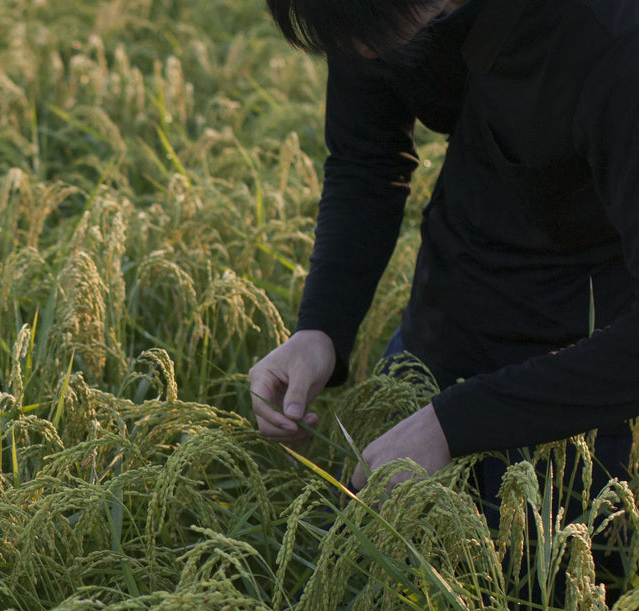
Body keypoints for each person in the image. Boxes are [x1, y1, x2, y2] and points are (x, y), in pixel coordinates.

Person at [249, 0, 639, 507]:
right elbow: (367, 159)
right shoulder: (366, 13)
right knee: (362, 550)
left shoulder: (614, 43)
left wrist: (452, 425)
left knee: (537, 578)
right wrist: (320, 327)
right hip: (446, 309)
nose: (361, 52)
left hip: (581, 371)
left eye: (365, 32)